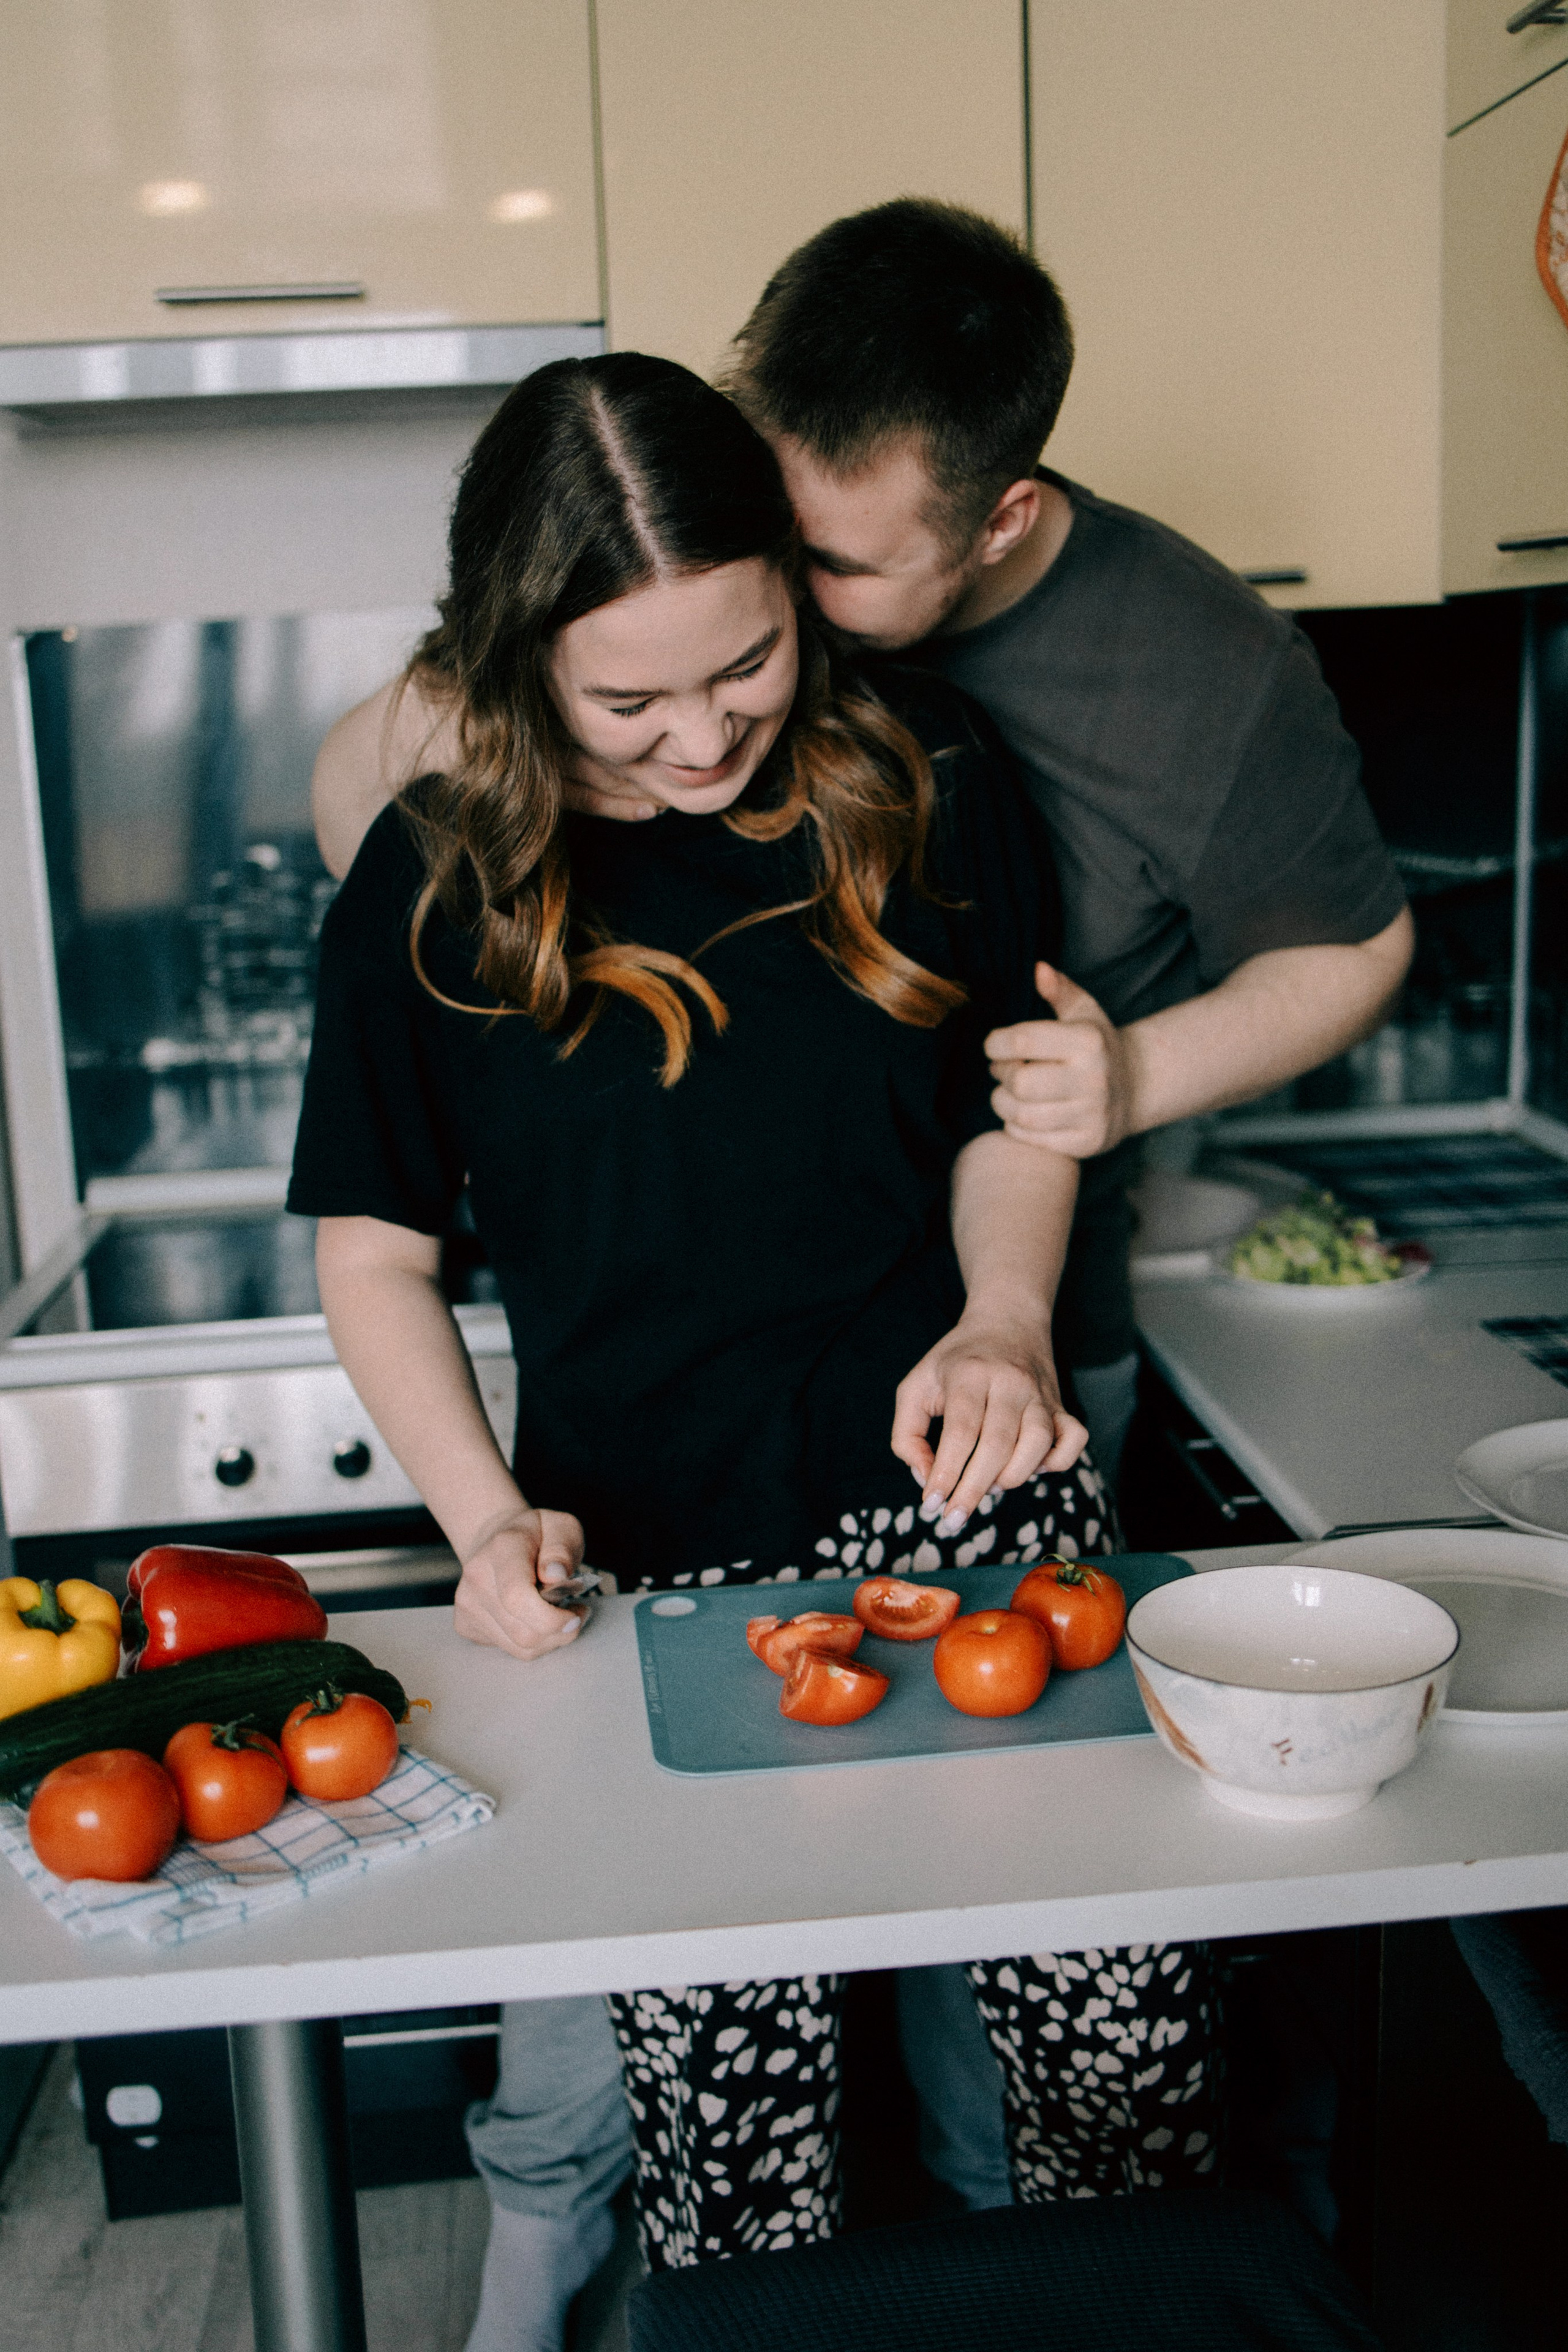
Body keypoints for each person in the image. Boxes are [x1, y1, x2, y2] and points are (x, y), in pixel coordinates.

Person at [289, 352, 1222, 2350]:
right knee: (738, 2154)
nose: (704, 733)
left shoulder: (930, 771)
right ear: (516, 661)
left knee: (1107, 2094)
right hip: (663, 1570)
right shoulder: (439, 879)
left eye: (750, 664)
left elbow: (1010, 1110)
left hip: (986, 1529)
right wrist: (482, 1519)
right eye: (632, 697)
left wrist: (999, 1319)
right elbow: (374, 1255)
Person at [314, 200, 1412, 1494]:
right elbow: (372, 817)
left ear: (995, 523)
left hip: (1002, 1350)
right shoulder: (694, 587)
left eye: (813, 573)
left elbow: (1352, 952)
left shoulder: (1202, 677)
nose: (768, 594)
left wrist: (1122, 1079)